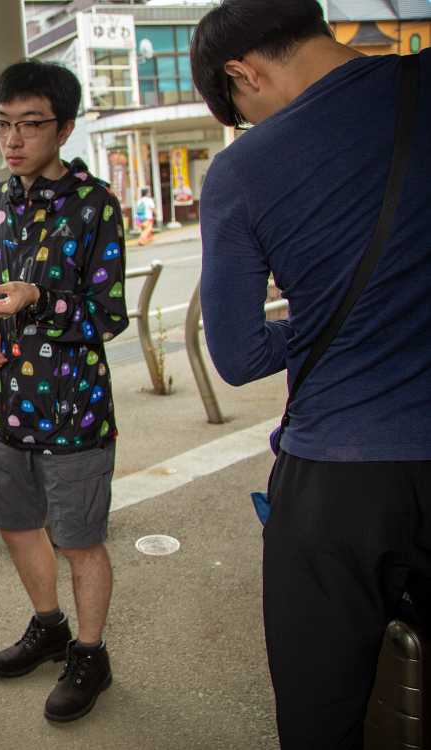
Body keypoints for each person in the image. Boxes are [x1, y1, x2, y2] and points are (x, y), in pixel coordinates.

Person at [191, 2, 430, 746]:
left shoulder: (241, 172)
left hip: (336, 478)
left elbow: (236, 356)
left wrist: (318, 320)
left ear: (243, 72)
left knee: (322, 709)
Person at [0, 61, 128, 724]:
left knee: (79, 537)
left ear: (63, 127)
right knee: (16, 524)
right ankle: (48, 625)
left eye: (30, 124)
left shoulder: (94, 206)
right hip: (7, 407)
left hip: (73, 410)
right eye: (3, 123)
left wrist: (38, 299)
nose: (13, 138)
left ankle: (90, 652)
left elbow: (106, 314)